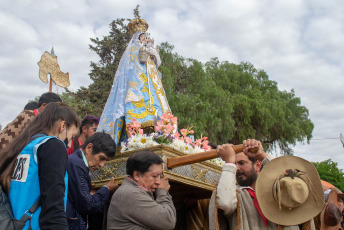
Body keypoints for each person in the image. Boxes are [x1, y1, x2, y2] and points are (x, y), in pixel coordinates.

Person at [0, 102, 79, 230]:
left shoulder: (23, 147)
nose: (69, 145)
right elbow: (54, 208)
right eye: (72, 137)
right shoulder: (53, 145)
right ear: (63, 125)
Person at [209, 139, 317, 230]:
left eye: (241, 163)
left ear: (257, 165)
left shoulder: (280, 193)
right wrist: (228, 163)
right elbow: (225, 203)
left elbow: (291, 180)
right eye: (234, 164)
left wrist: (262, 155)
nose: (236, 168)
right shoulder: (235, 196)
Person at [97, 18, 171, 146]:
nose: (144, 38)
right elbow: (129, 69)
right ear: (137, 37)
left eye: (144, 36)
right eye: (141, 36)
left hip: (150, 85)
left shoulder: (148, 49)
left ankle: (158, 135)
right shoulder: (132, 49)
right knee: (136, 110)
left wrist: (152, 55)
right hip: (137, 85)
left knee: (158, 108)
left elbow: (155, 65)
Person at [107, 150, 176, 230]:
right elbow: (168, 222)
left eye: (160, 176)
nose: (158, 181)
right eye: (154, 176)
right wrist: (162, 192)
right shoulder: (130, 193)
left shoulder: (134, 190)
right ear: (136, 175)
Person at [67, 132, 118, 230]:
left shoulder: (78, 162)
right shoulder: (76, 164)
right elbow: (87, 205)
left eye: (105, 161)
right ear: (89, 148)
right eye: (101, 158)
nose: (102, 165)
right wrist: (106, 189)